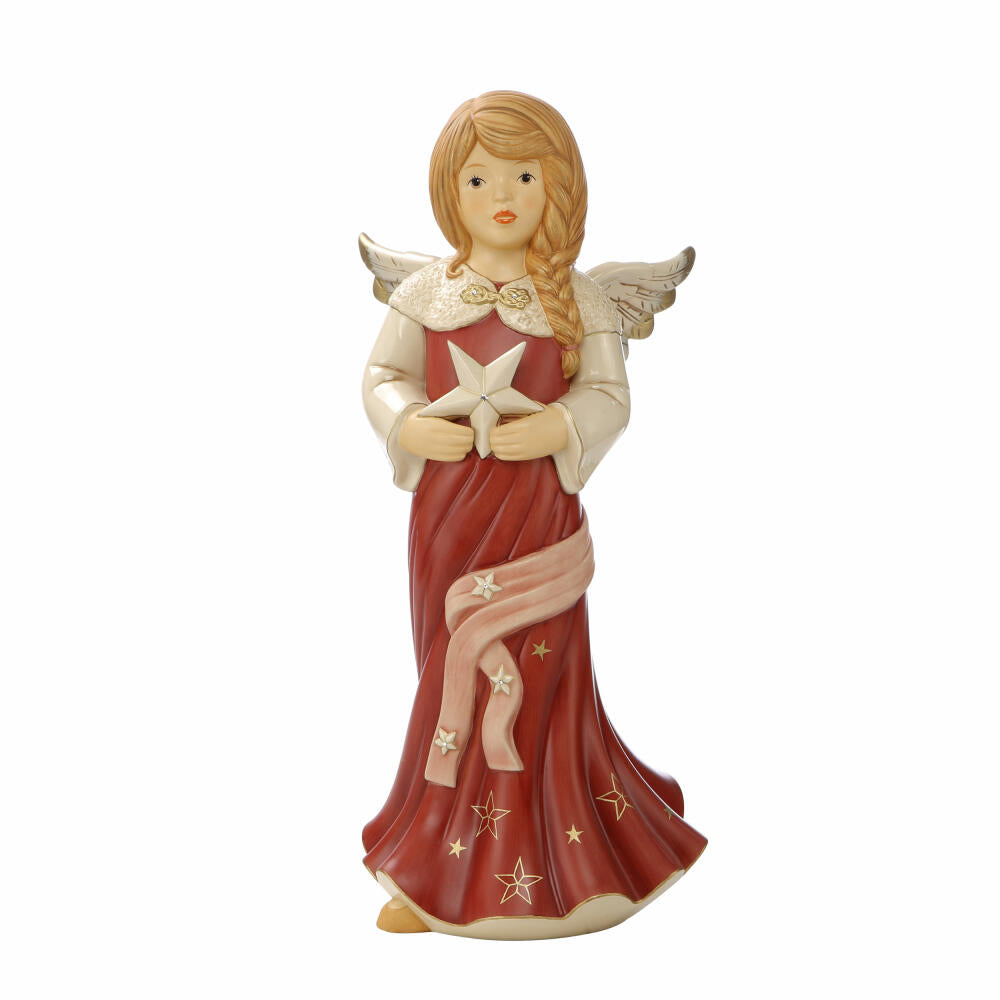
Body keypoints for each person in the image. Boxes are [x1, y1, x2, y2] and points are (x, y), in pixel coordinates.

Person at [359, 91, 706, 939]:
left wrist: (560, 426)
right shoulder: (426, 294)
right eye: (478, 178)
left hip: (536, 512)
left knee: (537, 669)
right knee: (449, 668)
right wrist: (407, 423)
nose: (502, 195)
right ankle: (434, 861)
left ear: (559, 185)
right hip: (449, 519)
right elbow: (383, 377)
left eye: (524, 175)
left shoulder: (576, 299)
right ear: (450, 190)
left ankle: (559, 856)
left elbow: (609, 395)